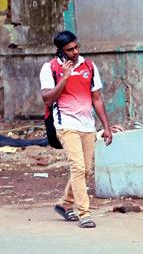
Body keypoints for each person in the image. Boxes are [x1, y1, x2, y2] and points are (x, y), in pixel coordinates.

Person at [40, 30, 113, 228]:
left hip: (87, 125)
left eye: (76, 47)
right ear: (60, 51)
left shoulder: (89, 66)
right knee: (78, 168)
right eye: (69, 50)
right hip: (65, 125)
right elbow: (47, 98)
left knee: (86, 170)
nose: (75, 52)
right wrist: (64, 77)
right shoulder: (50, 68)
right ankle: (85, 213)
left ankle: (64, 205)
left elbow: (96, 98)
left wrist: (106, 127)